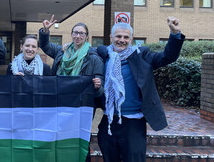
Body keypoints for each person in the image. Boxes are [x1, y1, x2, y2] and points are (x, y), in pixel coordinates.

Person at [96, 17, 185, 162]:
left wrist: (175, 34)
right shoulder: (102, 56)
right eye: (118, 36)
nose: (122, 40)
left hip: (133, 122)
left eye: (126, 37)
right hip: (109, 120)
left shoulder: (142, 56)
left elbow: (167, 56)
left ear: (131, 39)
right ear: (111, 37)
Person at [39, 15, 105, 161]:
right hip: (60, 103)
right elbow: (45, 46)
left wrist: (97, 86)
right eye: (75, 32)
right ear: (71, 34)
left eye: (81, 33)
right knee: (59, 136)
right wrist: (44, 31)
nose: (78, 36)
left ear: (87, 37)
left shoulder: (94, 58)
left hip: (82, 107)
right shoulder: (61, 52)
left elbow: (100, 87)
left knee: (79, 138)